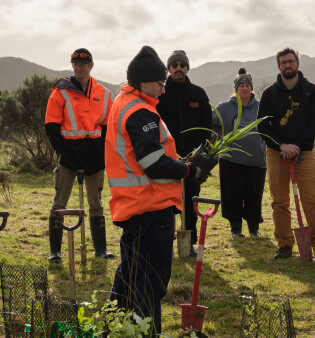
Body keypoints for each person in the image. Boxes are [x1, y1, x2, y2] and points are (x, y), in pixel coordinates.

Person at [105, 46, 213, 334]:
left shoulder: (125, 102)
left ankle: (111, 329)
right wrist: (189, 170)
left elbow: (146, 156)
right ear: (143, 80)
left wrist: (181, 162)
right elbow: (152, 162)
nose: (163, 89)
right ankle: (145, 332)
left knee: (129, 277)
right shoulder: (140, 112)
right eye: (160, 83)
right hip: (150, 209)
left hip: (135, 208)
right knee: (150, 283)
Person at [257, 47, 315, 260]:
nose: (288, 65)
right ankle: (284, 245)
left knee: (311, 200)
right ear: (278, 66)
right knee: (279, 201)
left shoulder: (311, 91)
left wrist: (296, 146)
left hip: (304, 153)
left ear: (298, 63)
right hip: (276, 153)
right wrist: (281, 145)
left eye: (291, 61)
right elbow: (263, 126)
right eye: (283, 62)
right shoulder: (269, 94)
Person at [44, 48, 114, 262]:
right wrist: (62, 151)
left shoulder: (103, 93)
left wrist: (101, 152)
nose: (79, 67)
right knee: (59, 203)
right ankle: (55, 252)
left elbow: (108, 127)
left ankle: (101, 251)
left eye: (83, 64)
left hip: (94, 157)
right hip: (69, 157)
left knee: (96, 204)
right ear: (72, 66)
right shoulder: (61, 91)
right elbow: (51, 125)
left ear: (91, 66)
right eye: (75, 64)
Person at [157, 50, 213, 256]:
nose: (178, 68)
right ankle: (164, 242)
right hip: (166, 158)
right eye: (174, 65)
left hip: (193, 160)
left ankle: (189, 243)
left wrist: (199, 154)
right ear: (168, 68)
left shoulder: (198, 93)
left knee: (191, 202)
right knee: (165, 202)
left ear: (187, 67)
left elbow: (207, 126)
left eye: (182, 64)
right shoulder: (160, 93)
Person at [212, 68, 266, 238]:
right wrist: (219, 137)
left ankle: (254, 229)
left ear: (251, 88)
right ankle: (236, 229)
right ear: (236, 89)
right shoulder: (225, 107)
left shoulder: (260, 107)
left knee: (254, 196)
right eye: (241, 85)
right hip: (231, 160)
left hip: (257, 161)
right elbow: (210, 122)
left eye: (247, 85)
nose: (244, 88)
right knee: (232, 195)